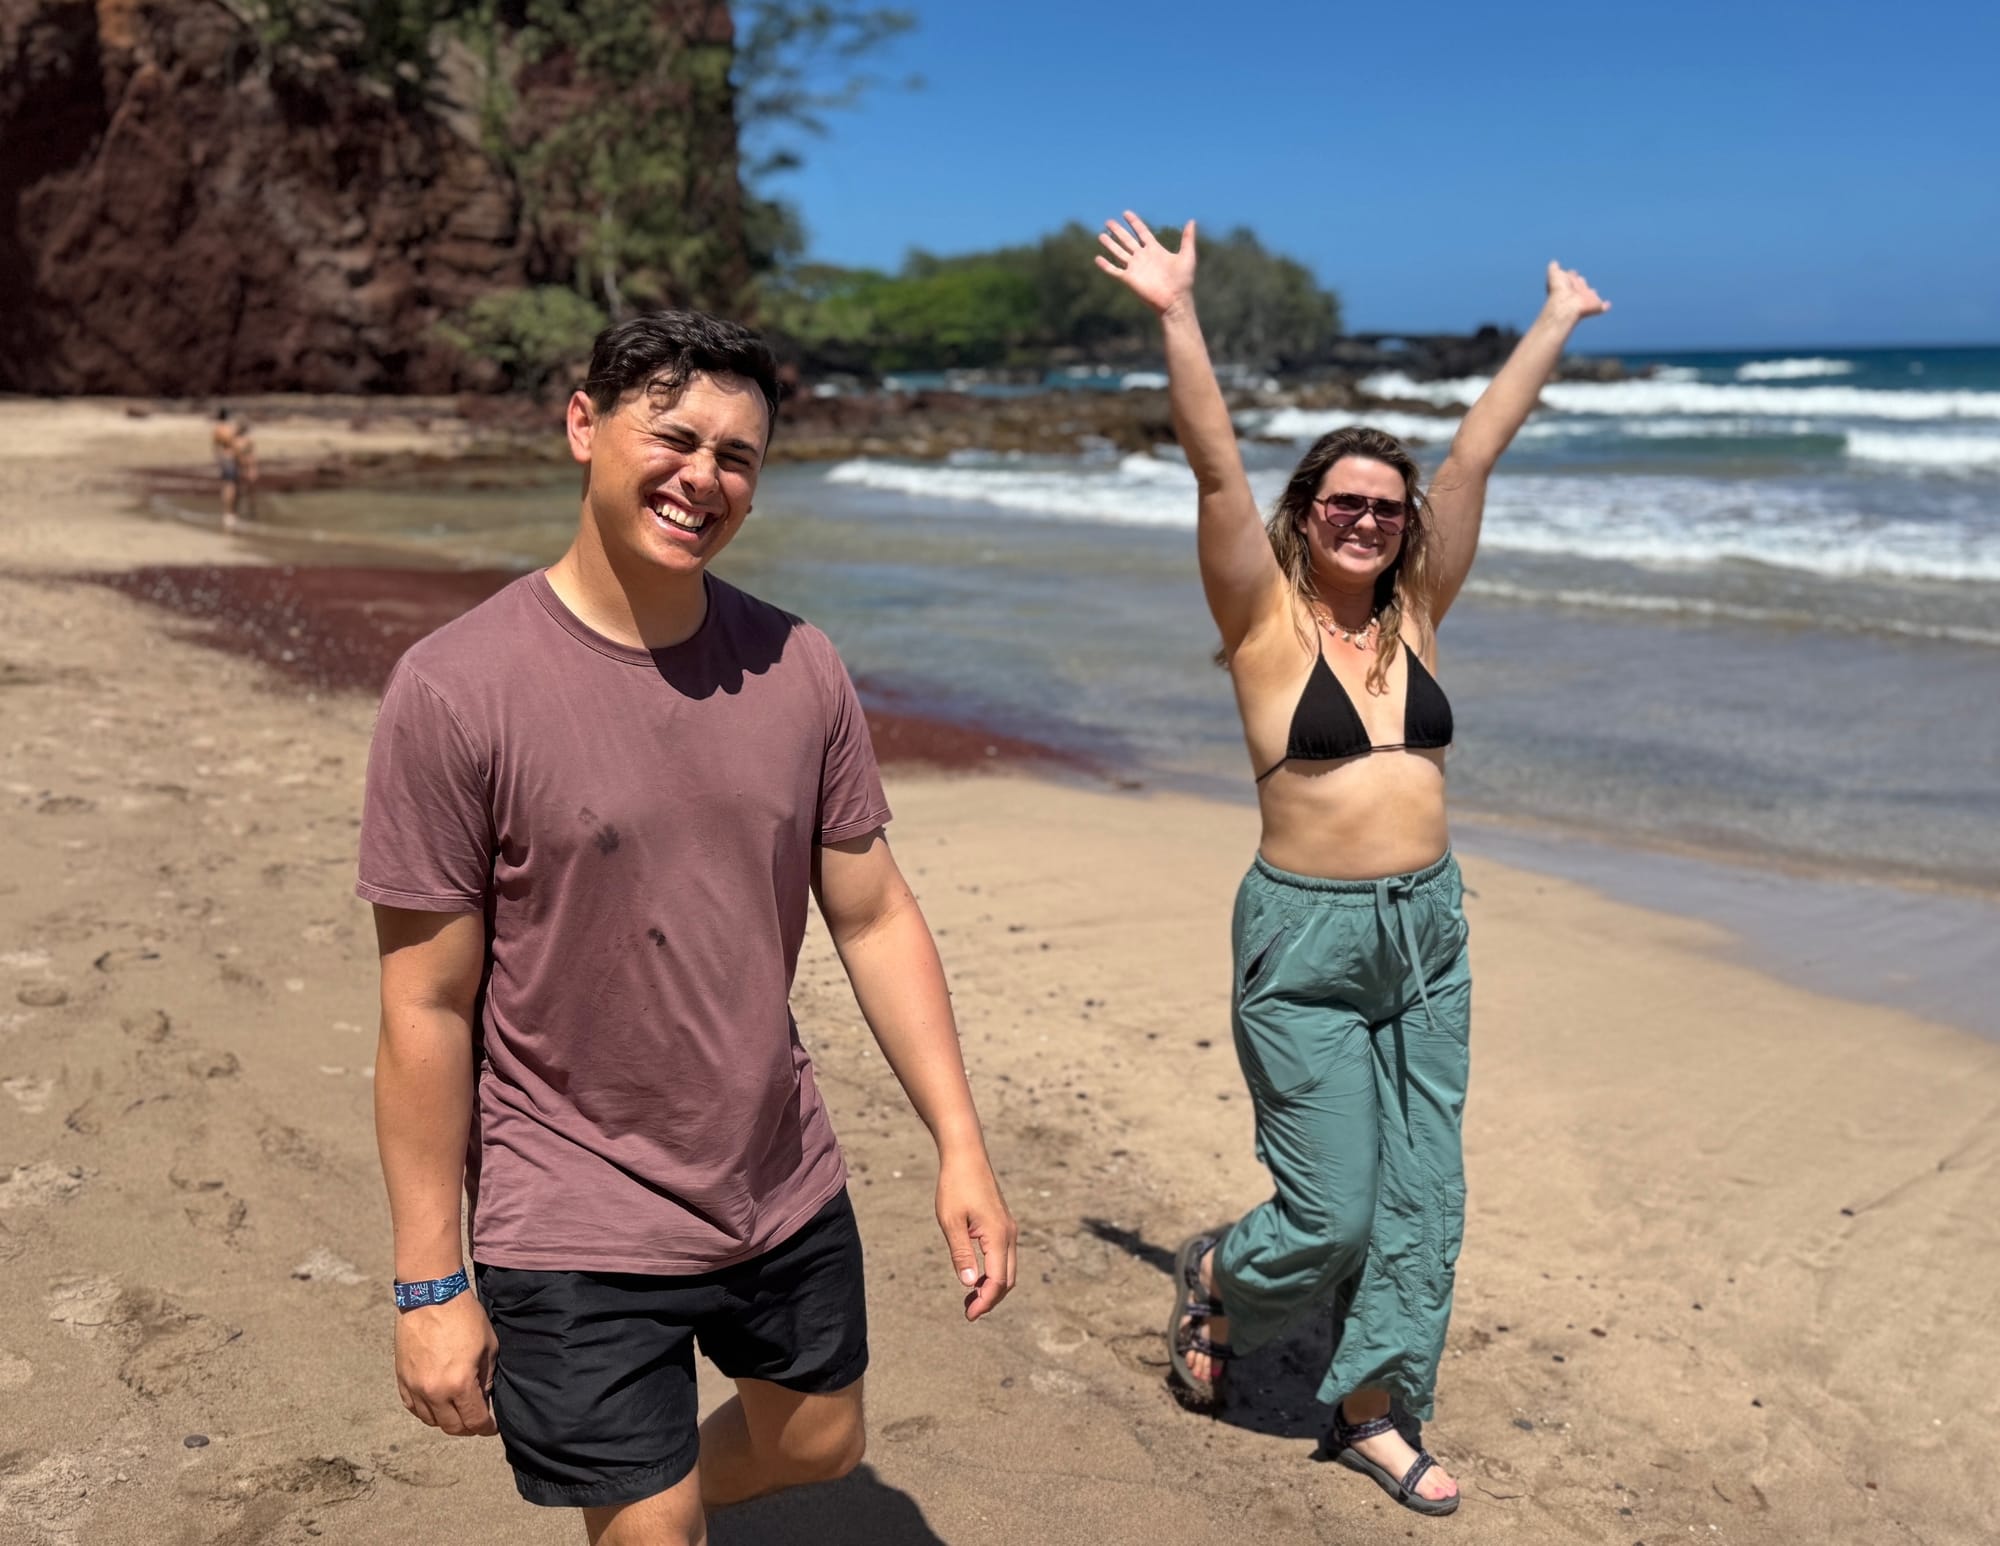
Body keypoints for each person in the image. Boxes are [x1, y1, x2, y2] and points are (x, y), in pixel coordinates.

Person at [358, 310, 1017, 1546]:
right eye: (674, 437)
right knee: (653, 1527)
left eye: (737, 457)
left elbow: (872, 914)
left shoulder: (798, 665)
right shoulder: (455, 689)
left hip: (772, 1171)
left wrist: (959, 1144)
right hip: (567, 1196)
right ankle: (644, 1495)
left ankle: (662, 1477)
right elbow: (424, 1005)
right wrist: (430, 1281)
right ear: (583, 425)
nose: (701, 478)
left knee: (820, 1442)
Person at [1096, 211, 1608, 1517]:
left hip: (1428, 933)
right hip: (1305, 942)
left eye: (1388, 506)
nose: (1370, 520)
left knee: (1425, 1195)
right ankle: (1225, 1273)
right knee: (1330, 1213)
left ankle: (1375, 1407)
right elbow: (1214, 468)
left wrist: (1552, 321)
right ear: (1306, 513)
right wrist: (1176, 311)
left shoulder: (1422, 612)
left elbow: (1477, 452)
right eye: (1345, 501)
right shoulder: (1260, 622)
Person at [211, 407, 240, 528]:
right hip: (231, 459)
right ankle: (230, 514)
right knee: (231, 487)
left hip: (223, 459)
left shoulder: (217, 429)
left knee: (226, 486)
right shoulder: (229, 429)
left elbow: (216, 448)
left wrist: (218, 461)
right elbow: (234, 445)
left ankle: (226, 513)